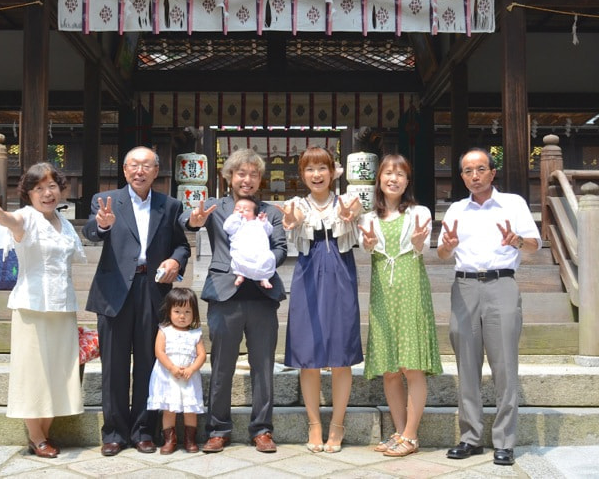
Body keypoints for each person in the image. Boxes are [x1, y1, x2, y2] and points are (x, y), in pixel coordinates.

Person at [83, 146, 191, 457]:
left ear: (157, 171)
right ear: (125, 170)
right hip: (115, 287)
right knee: (114, 365)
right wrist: (103, 224)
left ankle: (145, 430)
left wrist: (175, 261)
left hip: (153, 288)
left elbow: (181, 245)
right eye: (133, 165)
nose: (139, 171)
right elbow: (92, 231)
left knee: (149, 362)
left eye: (146, 165)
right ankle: (115, 432)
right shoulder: (105, 201)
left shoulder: (169, 205)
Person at [437, 148, 540, 466]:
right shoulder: (456, 209)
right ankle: (469, 437)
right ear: (462, 176)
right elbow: (442, 253)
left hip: (501, 285)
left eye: (480, 169)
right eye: (468, 171)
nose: (474, 176)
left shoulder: (513, 204)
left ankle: (504, 441)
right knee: (466, 363)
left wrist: (516, 241)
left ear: (493, 172)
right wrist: (448, 247)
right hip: (465, 286)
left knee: (505, 364)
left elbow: (534, 246)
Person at [0, 162, 86, 459]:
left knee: (59, 370)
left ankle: (45, 432)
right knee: (32, 371)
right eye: (38, 188)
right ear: (28, 193)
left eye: (52, 186)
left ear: (61, 190)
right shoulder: (26, 217)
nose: (47, 193)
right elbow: (13, 222)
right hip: (32, 305)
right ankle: (36, 437)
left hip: (62, 306)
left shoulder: (64, 224)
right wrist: (0, 215)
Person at [181, 148, 287, 454]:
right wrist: (194, 219)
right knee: (222, 366)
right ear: (229, 176)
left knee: (263, 366)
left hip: (263, 297)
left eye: (254, 174)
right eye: (242, 173)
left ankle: (262, 429)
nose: (248, 179)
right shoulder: (216, 207)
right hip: (225, 294)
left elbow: (280, 246)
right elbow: (187, 221)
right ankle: (218, 428)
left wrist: (265, 263)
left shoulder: (271, 212)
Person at [357, 154, 442, 458]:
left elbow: (422, 249)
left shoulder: (420, 213)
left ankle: (411, 435)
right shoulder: (368, 218)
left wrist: (419, 241)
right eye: (388, 174)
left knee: (411, 364)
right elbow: (367, 247)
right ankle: (399, 431)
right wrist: (367, 244)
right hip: (382, 289)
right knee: (390, 369)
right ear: (379, 179)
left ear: (407, 181)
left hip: (410, 285)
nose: (393, 179)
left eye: (400, 174)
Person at [280, 146, 362, 453]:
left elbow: (355, 217)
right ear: (302, 175)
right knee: (308, 352)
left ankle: (337, 426)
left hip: (341, 274)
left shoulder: (348, 200)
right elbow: (294, 219)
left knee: (341, 353)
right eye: (310, 169)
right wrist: (289, 219)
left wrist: (348, 214)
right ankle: (314, 424)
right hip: (308, 274)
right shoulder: (297, 204)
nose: (316, 175)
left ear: (333, 172)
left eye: (322, 168)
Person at [146, 287, 207, 454]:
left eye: (187, 311)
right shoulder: (164, 330)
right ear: (169, 311)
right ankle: (169, 440)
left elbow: (202, 355)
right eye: (177, 311)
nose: (182, 316)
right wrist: (172, 367)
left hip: (189, 377)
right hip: (168, 376)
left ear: (194, 313)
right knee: (169, 408)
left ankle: (190, 439)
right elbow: (159, 351)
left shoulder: (195, 334)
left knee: (190, 408)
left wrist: (192, 368)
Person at [224, 197, 276, 289]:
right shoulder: (237, 225)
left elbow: (269, 231)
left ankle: (264, 278)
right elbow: (228, 227)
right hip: (242, 251)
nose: (241, 211)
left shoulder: (258, 223)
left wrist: (264, 222)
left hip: (259, 252)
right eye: (237, 209)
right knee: (238, 260)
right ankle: (240, 275)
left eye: (246, 210)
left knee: (267, 259)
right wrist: (235, 217)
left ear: (254, 214)